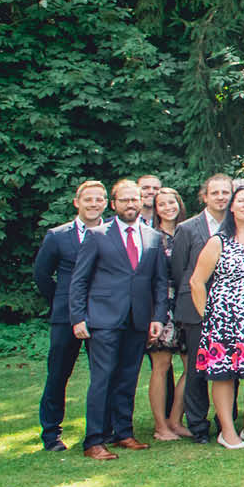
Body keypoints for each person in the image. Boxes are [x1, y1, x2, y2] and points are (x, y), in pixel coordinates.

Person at [70, 180, 169, 459]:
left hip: (138, 320)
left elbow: (159, 282)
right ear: (114, 204)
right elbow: (79, 281)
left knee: (128, 378)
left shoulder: (152, 236)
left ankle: (123, 433)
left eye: (135, 199)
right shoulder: (98, 235)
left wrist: (158, 317)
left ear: (141, 201)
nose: (130, 205)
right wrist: (78, 317)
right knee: (102, 380)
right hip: (104, 319)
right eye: (124, 200)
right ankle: (94, 440)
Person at [189, 183, 244, 449]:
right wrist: (209, 317)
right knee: (224, 375)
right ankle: (227, 430)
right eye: (241, 201)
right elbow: (196, 281)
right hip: (225, 320)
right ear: (232, 206)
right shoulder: (219, 241)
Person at [33, 180, 107, 451]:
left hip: (101, 314)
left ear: (106, 203)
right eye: (88, 199)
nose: (93, 204)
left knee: (103, 374)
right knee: (58, 374)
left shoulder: (111, 233)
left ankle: (102, 430)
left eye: (99, 199)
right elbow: (42, 274)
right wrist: (59, 300)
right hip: (65, 317)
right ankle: (51, 433)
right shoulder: (58, 235)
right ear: (77, 202)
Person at [169, 174, 230, 444]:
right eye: (215, 193)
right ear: (204, 196)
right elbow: (179, 270)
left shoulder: (237, 226)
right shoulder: (188, 228)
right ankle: (198, 425)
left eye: (225, 192)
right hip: (196, 309)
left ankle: (225, 421)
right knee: (197, 369)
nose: (221, 197)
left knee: (228, 366)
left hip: (229, 309)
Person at [145, 186, 189, 441]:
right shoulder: (151, 237)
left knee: (190, 364)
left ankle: (176, 419)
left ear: (179, 204)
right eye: (162, 204)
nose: (168, 208)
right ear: (155, 209)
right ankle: (160, 426)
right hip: (161, 303)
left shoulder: (189, 231)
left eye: (171, 203)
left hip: (186, 303)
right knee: (161, 366)